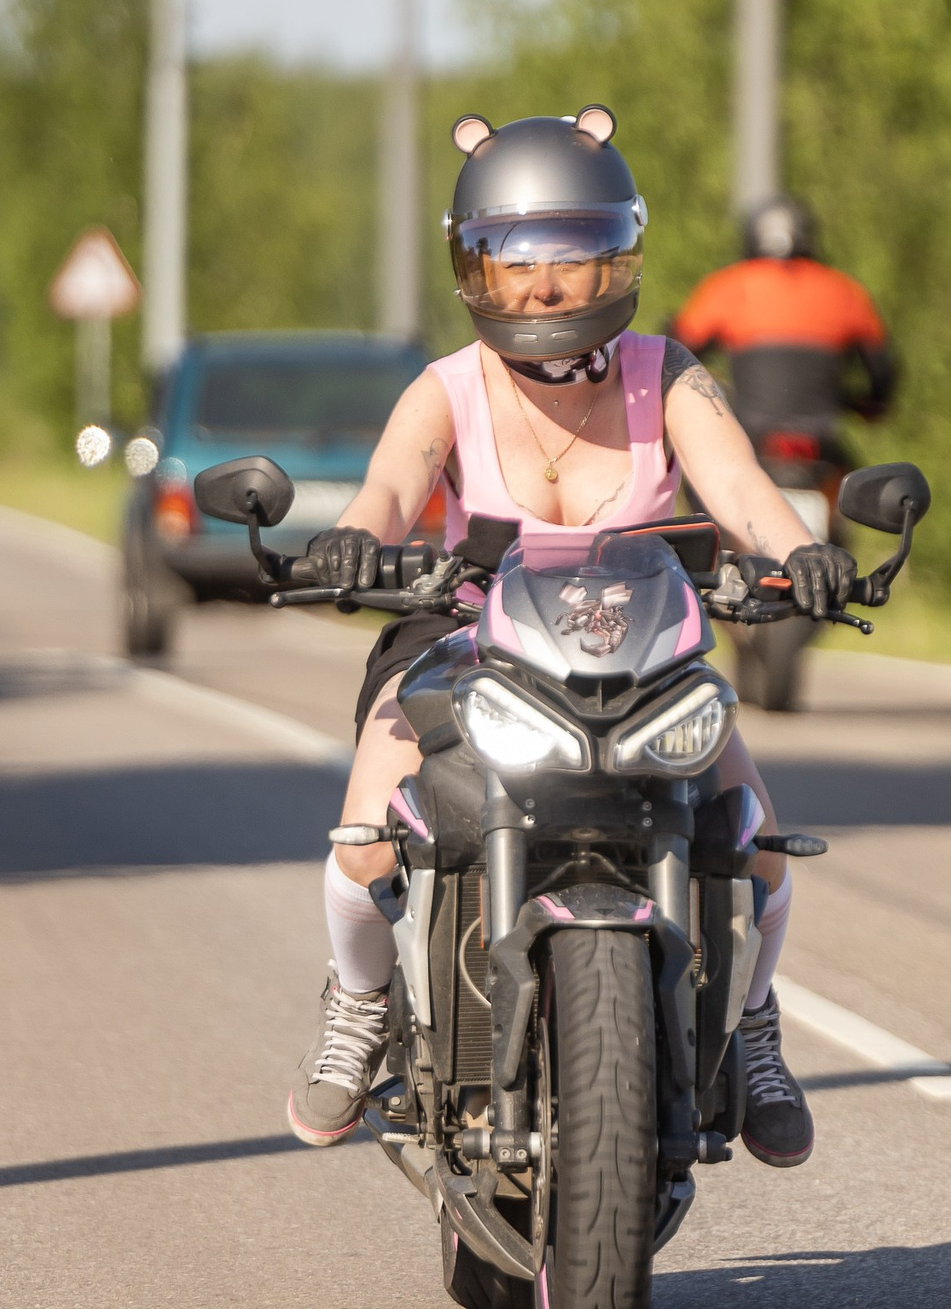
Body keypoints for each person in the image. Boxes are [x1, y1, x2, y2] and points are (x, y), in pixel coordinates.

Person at [288, 107, 855, 1168]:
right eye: (516, 263)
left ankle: (755, 1031)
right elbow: (390, 489)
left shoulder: (667, 374)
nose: (544, 289)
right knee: (365, 837)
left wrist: (799, 551)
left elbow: (738, 486)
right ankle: (361, 1008)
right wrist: (351, 547)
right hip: (466, 636)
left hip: (642, 649)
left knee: (760, 846)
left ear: (618, 261)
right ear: (476, 270)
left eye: (575, 260)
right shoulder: (447, 387)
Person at [667, 194, 896, 468]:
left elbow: (674, 352)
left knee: (698, 476)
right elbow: (882, 372)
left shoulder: (730, 285)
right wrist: (862, 406)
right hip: (820, 443)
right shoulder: (844, 291)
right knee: (854, 496)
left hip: (751, 439)